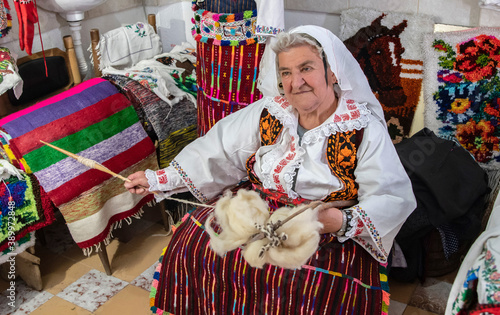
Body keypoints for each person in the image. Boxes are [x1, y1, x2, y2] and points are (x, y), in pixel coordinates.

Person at [125, 25, 416, 314]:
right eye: (286, 72)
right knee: (194, 240)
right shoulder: (271, 111)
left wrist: (338, 220)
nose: (296, 82)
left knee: (301, 280)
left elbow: (392, 196)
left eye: (306, 68)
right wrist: (159, 179)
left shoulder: (362, 127)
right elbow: (218, 150)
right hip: (259, 212)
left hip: (323, 226)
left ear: (333, 71)